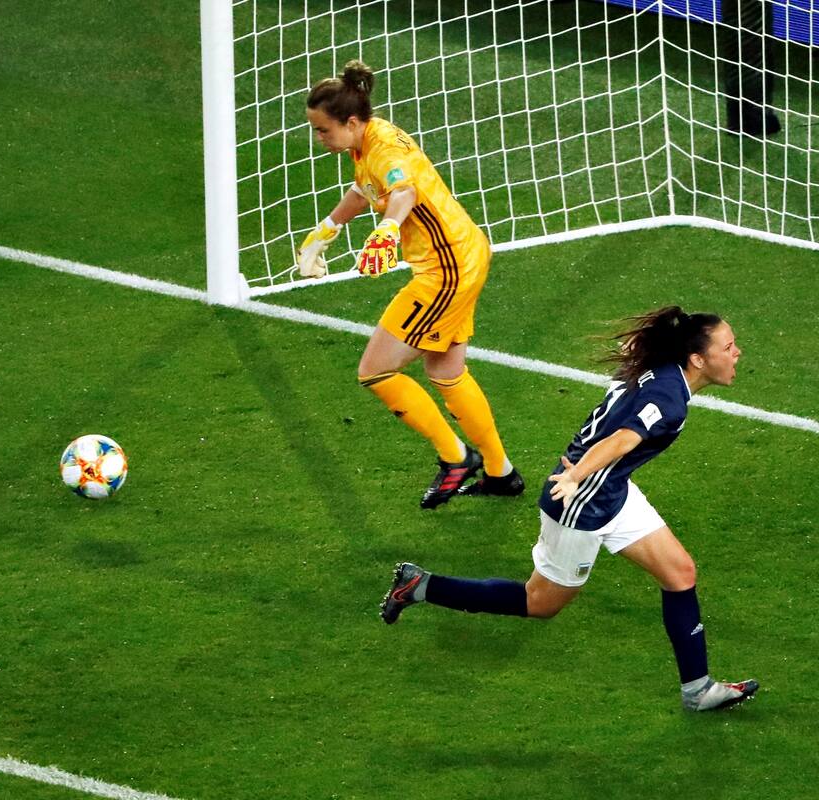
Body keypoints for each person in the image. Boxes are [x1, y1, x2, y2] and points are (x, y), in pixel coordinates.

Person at [380, 306, 759, 711]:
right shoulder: (669, 400)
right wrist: (577, 476)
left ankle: (698, 690)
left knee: (680, 572)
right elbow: (622, 441)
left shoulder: (665, 369)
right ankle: (420, 585)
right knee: (540, 602)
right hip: (582, 500)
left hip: (610, 489)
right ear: (698, 359)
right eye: (729, 346)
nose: (737, 353)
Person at [297, 60, 522, 509]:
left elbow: (403, 191)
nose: (319, 138)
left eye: (323, 130)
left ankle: (456, 458)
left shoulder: (385, 152)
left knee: (375, 370)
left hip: (446, 268)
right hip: (465, 250)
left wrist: (388, 230)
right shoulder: (371, 138)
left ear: (352, 122)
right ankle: (501, 473)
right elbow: (365, 190)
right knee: (446, 372)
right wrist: (325, 231)